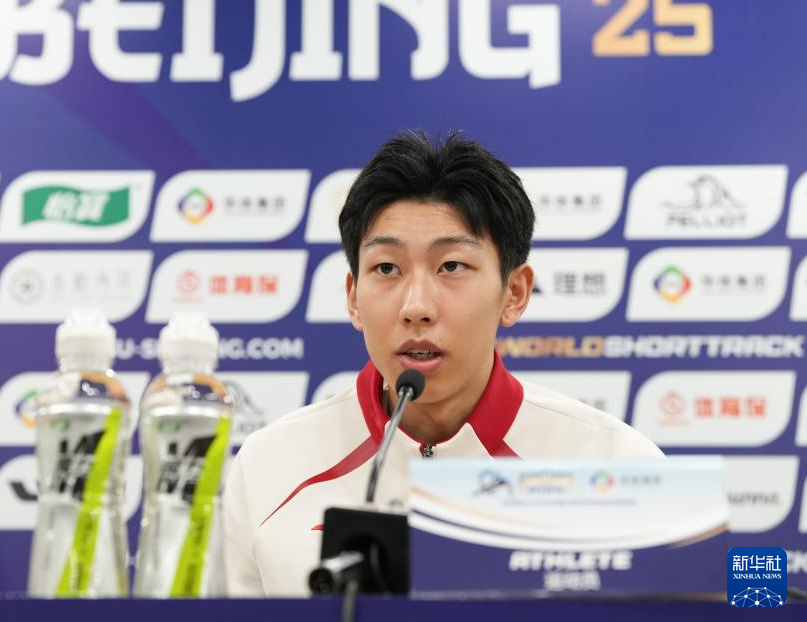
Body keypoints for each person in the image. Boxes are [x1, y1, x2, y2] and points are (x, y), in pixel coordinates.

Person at [222, 131, 663, 597]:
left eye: (451, 266)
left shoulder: (615, 465)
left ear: (514, 293)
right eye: (387, 268)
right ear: (353, 298)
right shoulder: (270, 465)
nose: (416, 307)